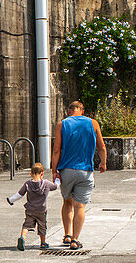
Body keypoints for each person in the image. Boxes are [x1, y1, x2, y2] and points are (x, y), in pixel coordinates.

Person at [51, 100, 107, 251]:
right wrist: (103, 163)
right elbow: (101, 146)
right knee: (79, 206)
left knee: (67, 202)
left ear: (69, 111)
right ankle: (75, 240)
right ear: (82, 111)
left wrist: (54, 171)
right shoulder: (93, 123)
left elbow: (56, 150)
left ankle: (67, 234)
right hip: (85, 171)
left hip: (66, 170)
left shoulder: (62, 124)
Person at [7, 162, 60, 251]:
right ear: (42, 173)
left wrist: (10, 200)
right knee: (42, 226)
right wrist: (58, 180)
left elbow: (19, 194)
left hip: (30, 210)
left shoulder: (28, 184)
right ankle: (43, 243)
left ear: (31, 174)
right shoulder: (46, 183)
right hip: (41, 211)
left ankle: (22, 238)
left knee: (27, 225)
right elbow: (55, 186)